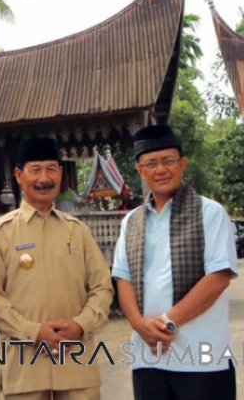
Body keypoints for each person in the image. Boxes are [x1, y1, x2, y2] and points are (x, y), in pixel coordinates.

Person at [111, 124, 237, 400]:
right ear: (140, 171)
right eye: (151, 163)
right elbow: (123, 278)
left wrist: (168, 323)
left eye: (168, 161)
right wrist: (137, 323)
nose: (161, 170)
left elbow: (218, 277)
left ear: (183, 164)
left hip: (203, 357)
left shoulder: (210, 213)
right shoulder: (131, 221)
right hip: (148, 358)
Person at [0, 137, 113, 400]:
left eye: (52, 169)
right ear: (19, 175)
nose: (44, 178)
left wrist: (80, 324)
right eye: (36, 169)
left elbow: (103, 286)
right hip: (25, 367)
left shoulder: (78, 231)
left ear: (60, 174)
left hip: (77, 361)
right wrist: (33, 331)